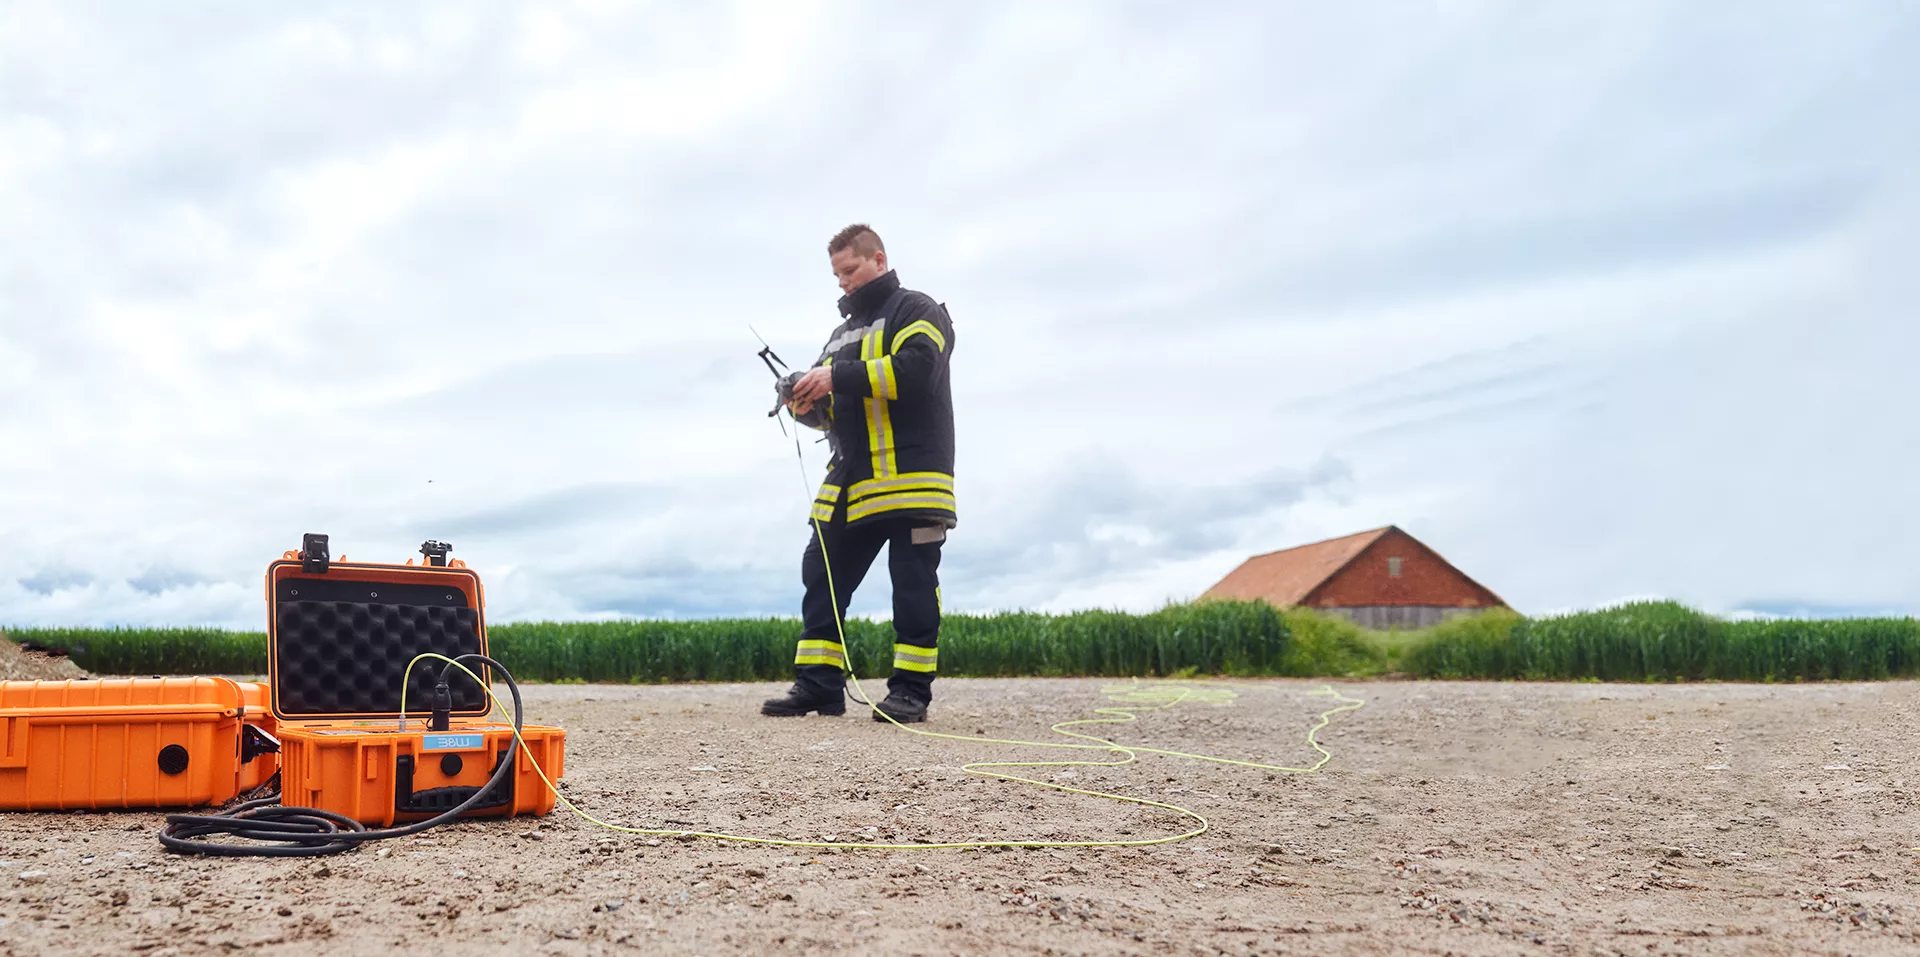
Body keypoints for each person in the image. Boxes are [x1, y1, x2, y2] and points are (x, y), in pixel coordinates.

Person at [761, 224, 957, 723]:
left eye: (849, 270)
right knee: (820, 572)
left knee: (911, 583)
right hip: (850, 481)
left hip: (912, 480)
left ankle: (910, 692)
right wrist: (802, 403)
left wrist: (836, 375)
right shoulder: (840, 335)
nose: (843, 282)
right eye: (836, 274)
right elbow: (830, 410)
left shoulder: (919, 310)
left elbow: (918, 370)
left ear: (878, 259)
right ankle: (819, 686)